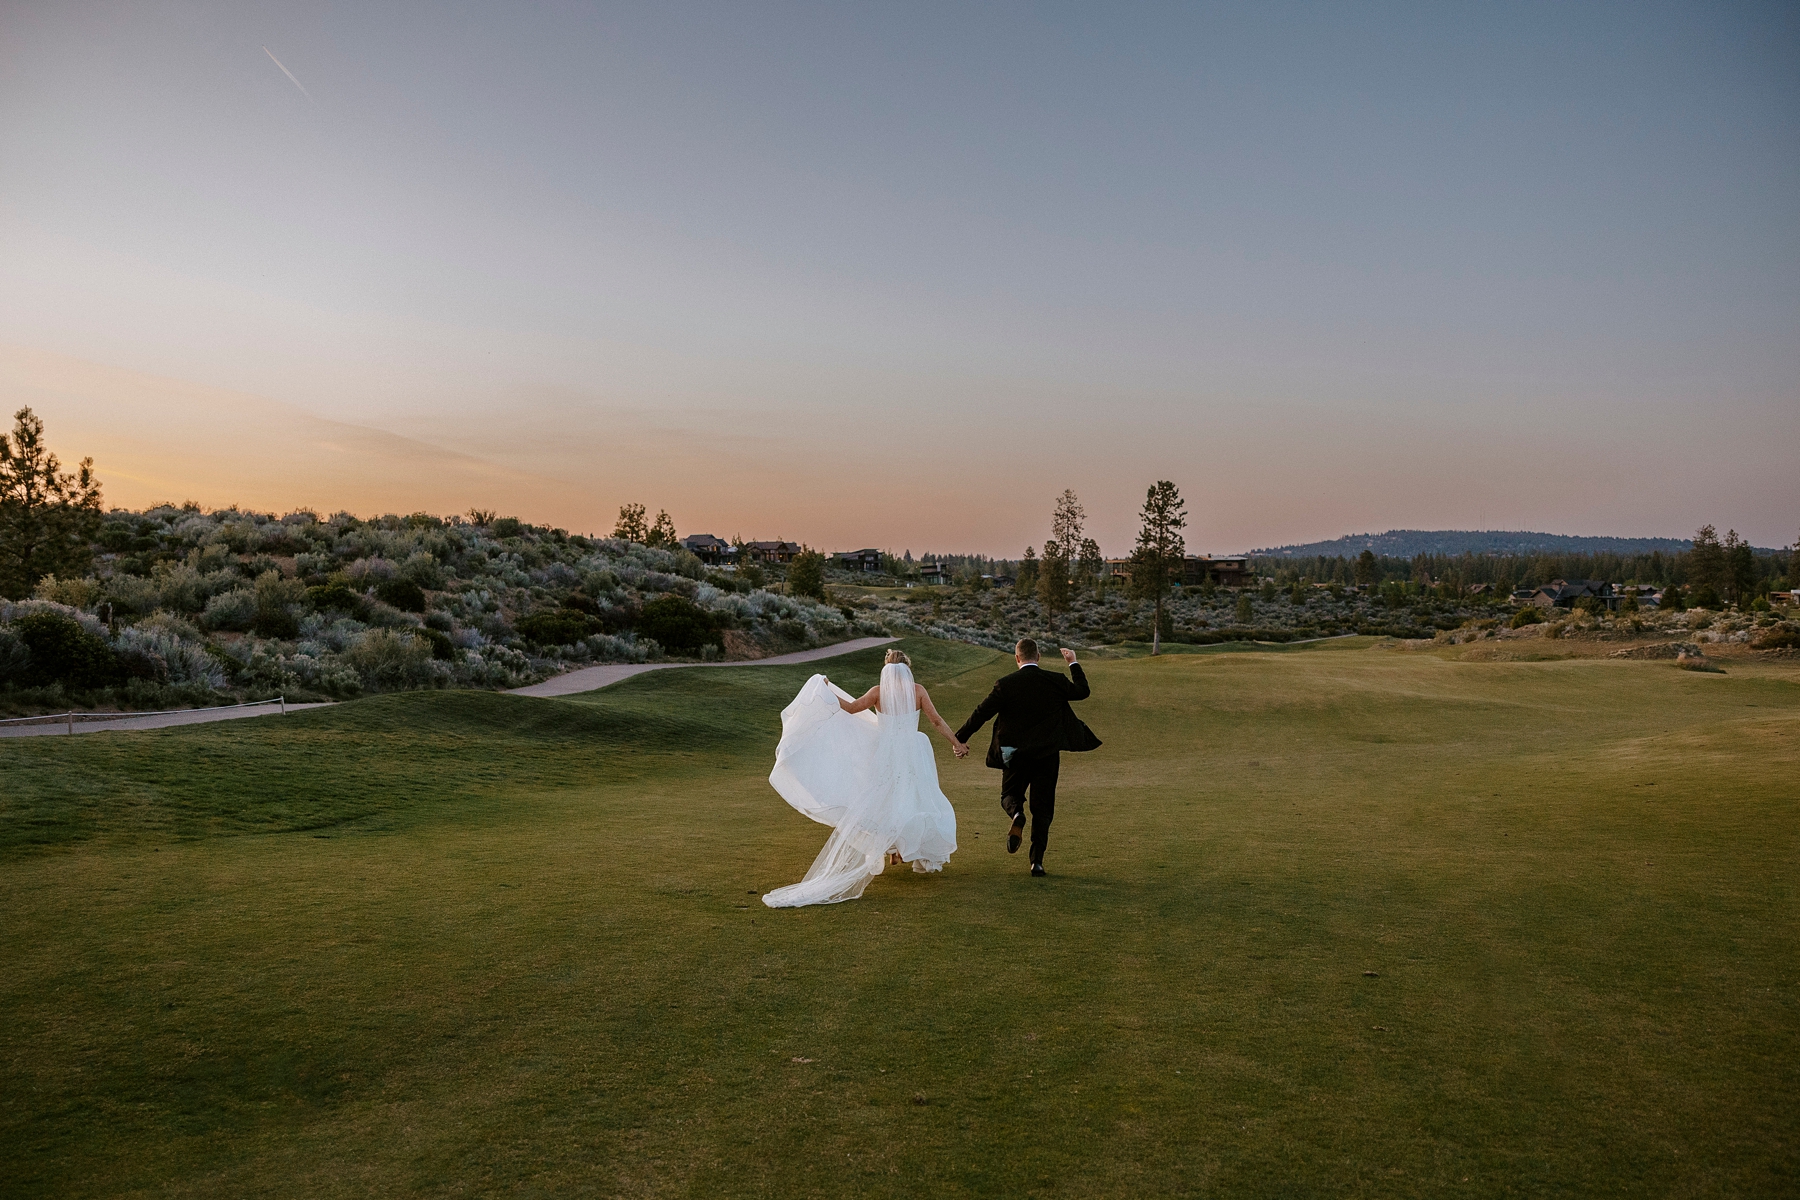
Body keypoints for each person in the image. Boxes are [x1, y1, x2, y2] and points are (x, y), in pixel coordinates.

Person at [763, 649, 967, 907]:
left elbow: (850, 708)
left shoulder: (878, 692)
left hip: (885, 752)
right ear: (907, 668)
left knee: (885, 800)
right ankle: (902, 849)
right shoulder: (917, 691)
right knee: (915, 798)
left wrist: (827, 690)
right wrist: (957, 743)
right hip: (913, 751)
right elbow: (936, 721)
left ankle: (893, 848)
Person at [954, 638, 1101, 877]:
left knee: (1009, 796)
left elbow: (981, 713)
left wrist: (959, 739)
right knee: (1043, 809)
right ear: (1038, 657)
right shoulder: (1055, 680)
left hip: (1013, 754)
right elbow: (1082, 691)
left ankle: (1017, 814)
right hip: (1047, 754)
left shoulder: (1005, 684)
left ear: (1017, 658)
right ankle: (1037, 862)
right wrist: (1073, 662)